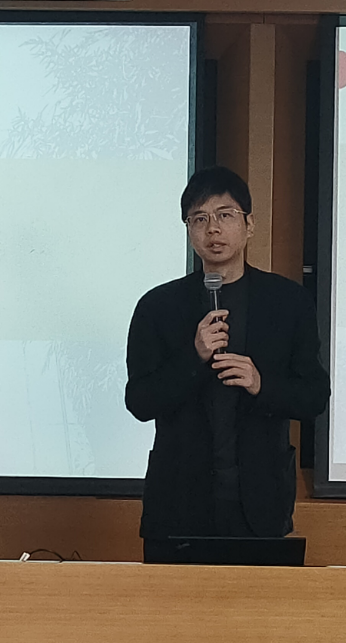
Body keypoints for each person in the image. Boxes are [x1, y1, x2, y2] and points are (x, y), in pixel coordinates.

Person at [125, 166, 330, 560]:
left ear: (249, 225)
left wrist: (260, 383)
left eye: (225, 215)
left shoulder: (288, 303)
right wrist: (194, 356)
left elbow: (315, 396)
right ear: (189, 230)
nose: (213, 229)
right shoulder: (158, 307)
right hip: (178, 507)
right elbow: (140, 401)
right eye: (199, 219)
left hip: (260, 506)